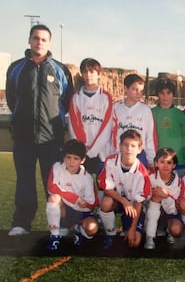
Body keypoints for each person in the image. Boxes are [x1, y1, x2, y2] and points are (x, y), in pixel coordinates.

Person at [6, 24, 74, 236]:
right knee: (24, 182)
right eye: (36, 38)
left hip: (52, 139)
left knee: (54, 184)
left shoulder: (60, 70)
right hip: (24, 138)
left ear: (49, 43)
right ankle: (22, 223)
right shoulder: (16, 68)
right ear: (29, 40)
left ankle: (60, 224)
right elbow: (11, 99)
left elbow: (67, 100)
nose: (39, 42)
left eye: (44, 39)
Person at [98, 129, 151, 249]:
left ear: (139, 149)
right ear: (120, 146)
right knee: (106, 203)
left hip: (133, 206)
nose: (129, 149)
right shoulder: (111, 161)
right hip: (118, 201)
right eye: (126, 145)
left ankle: (129, 225)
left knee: (134, 242)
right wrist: (123, 201)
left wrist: (132, 229)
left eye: (133, 146)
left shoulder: (142, 173)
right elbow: (106, 188)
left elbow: (138, 202)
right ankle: (110, 234)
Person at [46, 139, 98, 250]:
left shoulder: (87, 178)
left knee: (92, 229)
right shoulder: (57, 167)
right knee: (53, 198)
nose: (71, 162)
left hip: (81, 213)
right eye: (68, 157)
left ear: (82, 160)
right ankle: (55, 235)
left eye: (76, 158)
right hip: (65, 210)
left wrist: (82, 203)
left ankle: (78, 228)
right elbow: (51, 187)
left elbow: (92, 203)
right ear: (64, 157)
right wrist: (76, 198)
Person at [144, 147, 185, 250]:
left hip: (172, 212)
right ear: (156, 163)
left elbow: (179, 204)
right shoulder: (150, 178)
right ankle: (150, 236)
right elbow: (144, 197)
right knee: (156, 196)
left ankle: (169, 229)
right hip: (152, 213)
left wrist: (166, 195)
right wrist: (155, 195)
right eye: (162, 162)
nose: (165, 165)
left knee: (176, 230)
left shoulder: (179, 182)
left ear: (174, 165)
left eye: (169, 163)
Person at [68, 58, 113, 175]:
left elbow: (107, 127)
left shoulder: (106, 97)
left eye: (92, 72)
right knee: (83, 189)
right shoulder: (76, 98)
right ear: (82, 74)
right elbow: (73, 126)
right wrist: (84, 149)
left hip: (102, 152)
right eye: (85, 71)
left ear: (99, 75)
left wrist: (93, 151)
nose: (89, 75)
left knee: (104, 189)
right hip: (82, 152)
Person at [112, 73, 157, 172]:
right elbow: (109, 133)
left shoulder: (146, 110)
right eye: (134, 89)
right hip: (119, 154)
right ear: (126, 88)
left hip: (139, 155)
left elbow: (149, 136)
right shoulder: (115, 108)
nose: (138, 93)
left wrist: (151, 159)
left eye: (141, 90)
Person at [152, 79, 185, 176]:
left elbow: (184, 140)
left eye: (168, 93)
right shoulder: (151, 113)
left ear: (173, 94)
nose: (165, 96)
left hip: (178, 162)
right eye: (162, 93)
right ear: (157, 94)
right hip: (159, 162)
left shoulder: (180, 114)